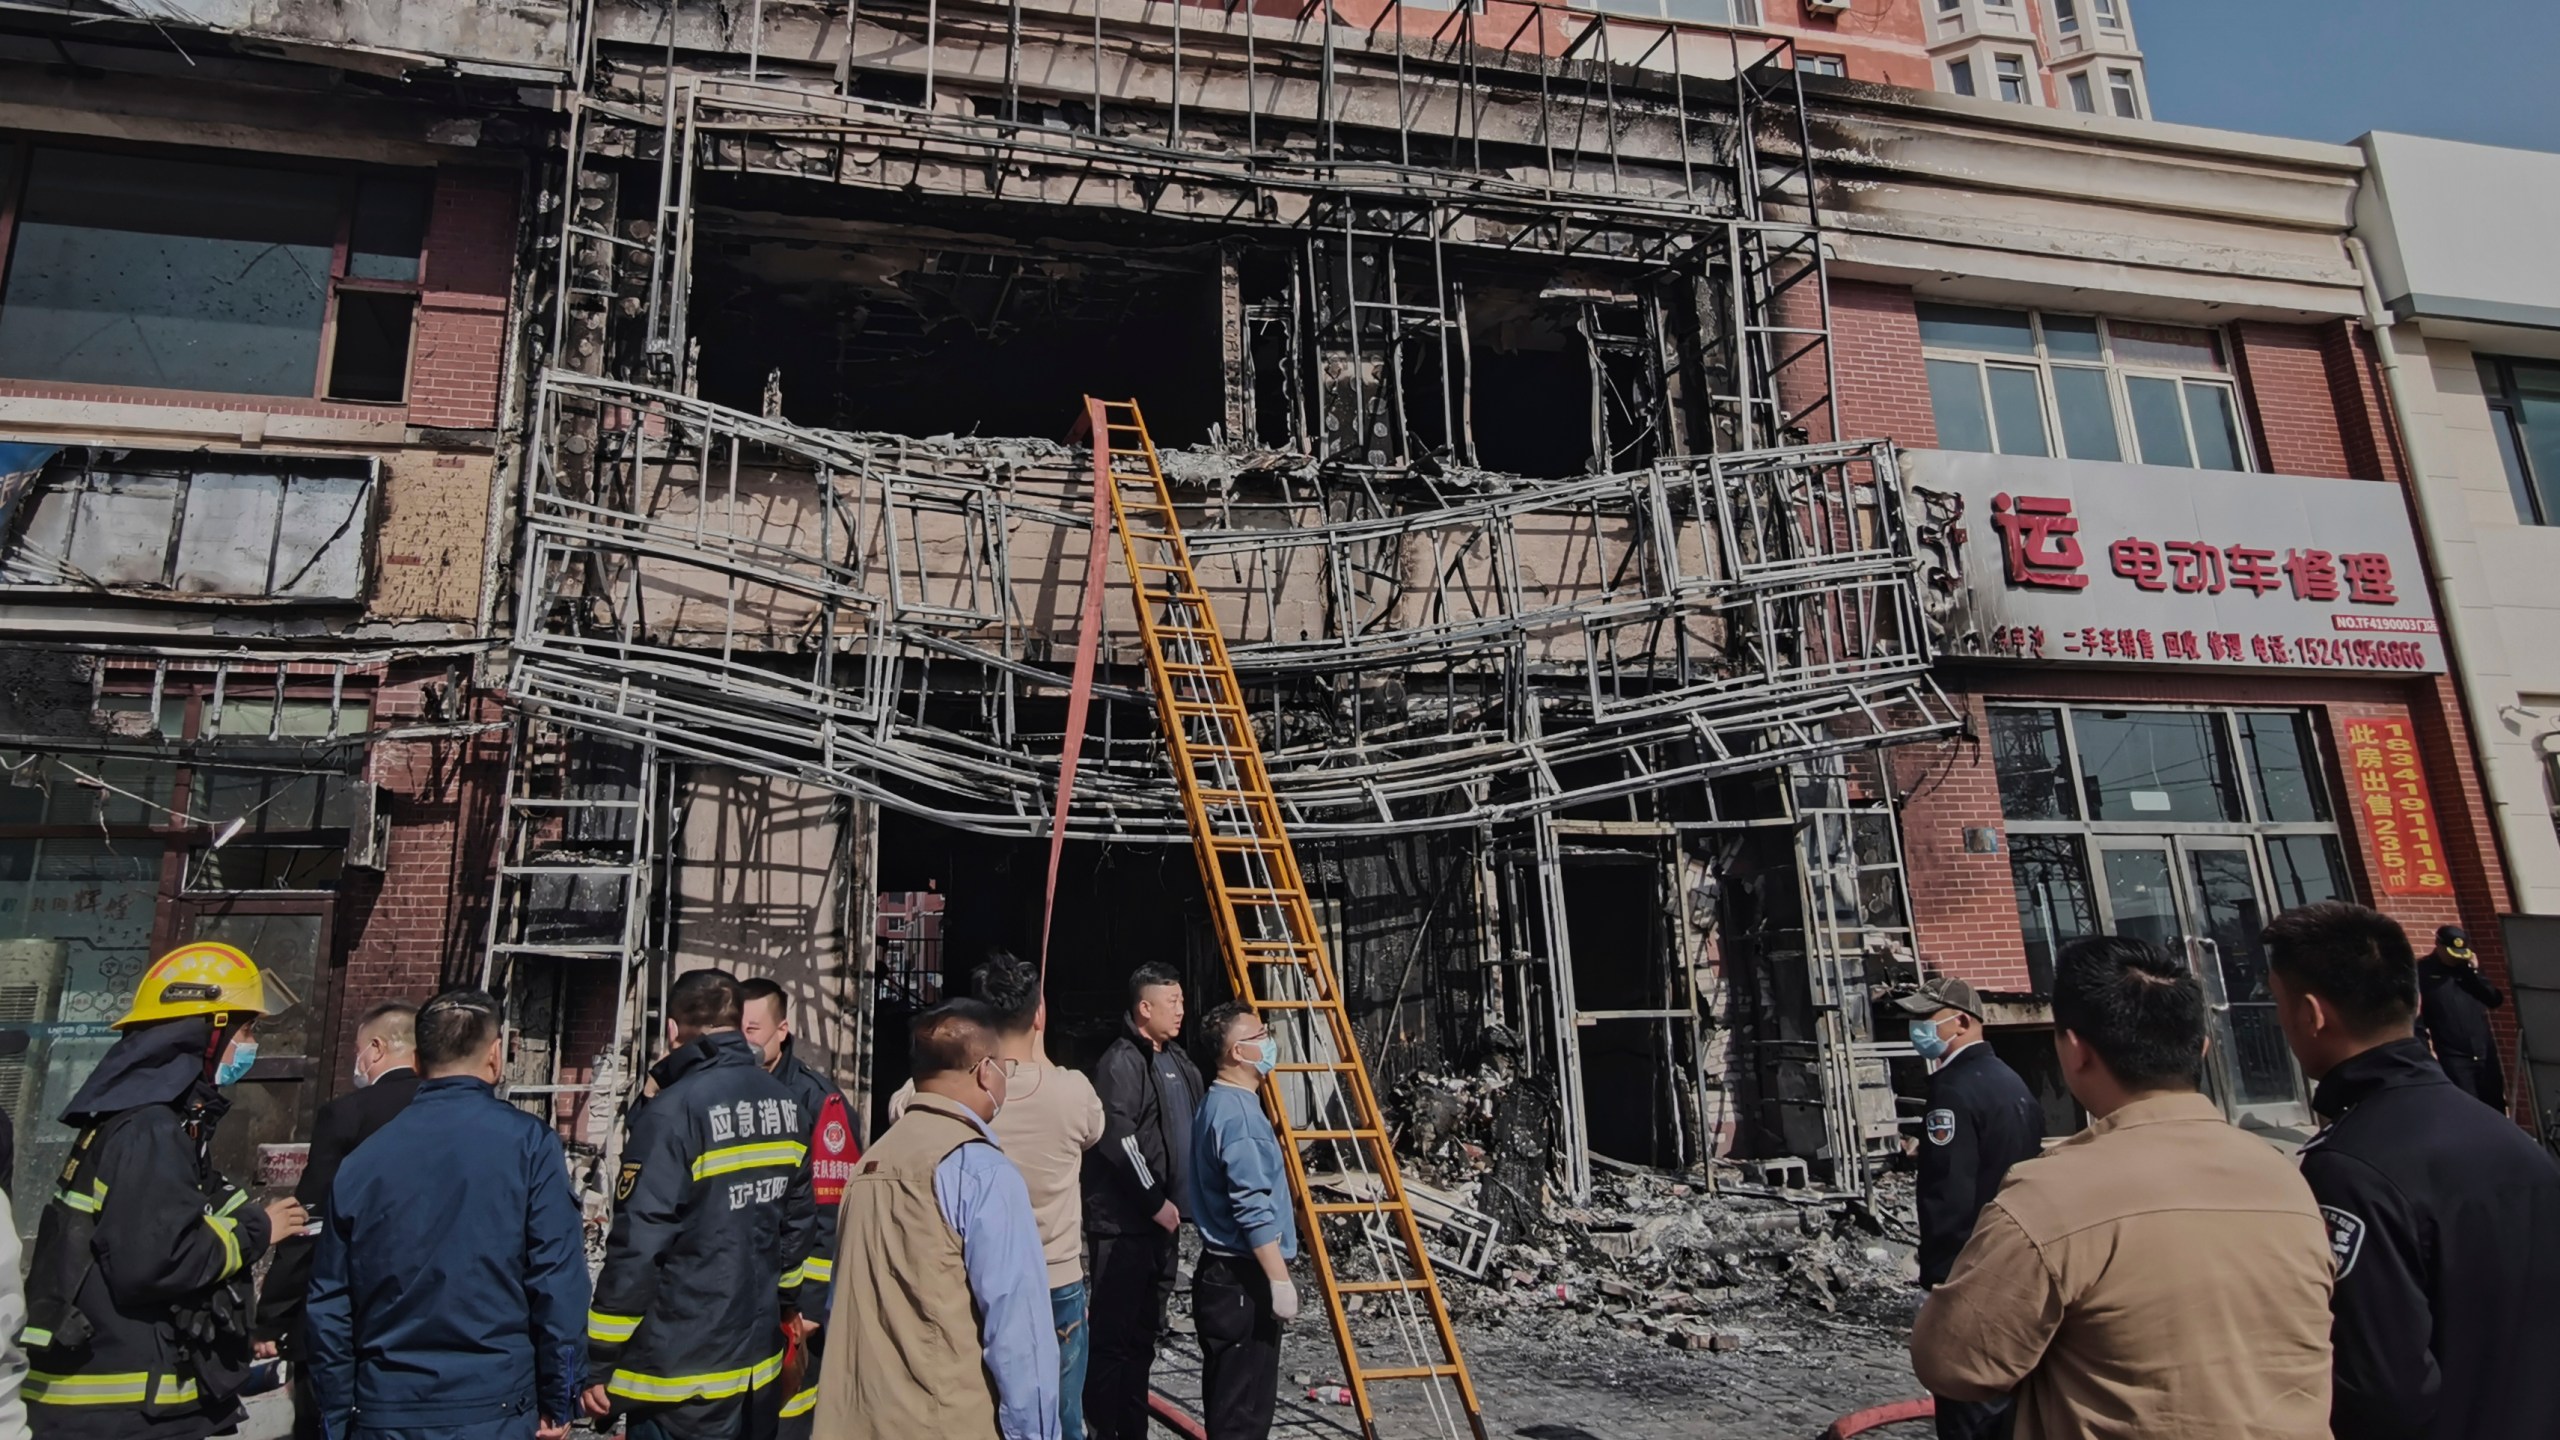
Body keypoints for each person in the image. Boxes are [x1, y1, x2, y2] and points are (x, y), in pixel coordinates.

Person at [1910, 936, 2334, 1440]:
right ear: (2202, 1048)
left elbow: (1953, 1362)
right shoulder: (2286, 1179)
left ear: (2074, 1051)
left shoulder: (2048, 1197)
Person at [2263, 902, 2560, 1440]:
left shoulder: (2351, 1167)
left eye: (2278, 1003)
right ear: (2417, 1001)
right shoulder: (2515, 1143)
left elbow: (2381, 1389)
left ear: (2310, 1014)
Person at [21, 941, 307, 1440]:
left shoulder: (151, 1123)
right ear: (208, 1032)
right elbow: (160, 1260)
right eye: (246, 1030)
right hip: (122, 1411)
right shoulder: (149, 1129)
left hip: (125, 1405)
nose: (251, 1045)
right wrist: (258, 1230)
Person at [303, 988, 589, 1440]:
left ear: (417, 1061)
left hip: (388, 1404)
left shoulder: (362, 1161)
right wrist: (561, 1395)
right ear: (495, 1055)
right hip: (494, 1403)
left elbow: (330, 1303)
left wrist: (338, 1415)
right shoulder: (529, 1145)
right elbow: (557, 1282)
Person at [583, 969, 815, 1440]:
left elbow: (639, 1246)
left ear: (672, 1030)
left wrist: (601, 1356)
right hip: (756, 1370)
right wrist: (786, 1304)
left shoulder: (672, 1112)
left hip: (680, 1380)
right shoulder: (787, 1103)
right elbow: (796, 1230)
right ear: (737, 1022)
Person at [814, 999, 1057, 1440]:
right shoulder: (981, 1170)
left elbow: (839, 1307)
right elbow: (1019, 1337)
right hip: (945, 1421)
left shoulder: (870, 1163)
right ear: (985, 1071)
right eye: (1005, 1068)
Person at [890, 954, 1105, 1440]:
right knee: (1059, 1416)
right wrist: (1040, 1057)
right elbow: (1094, 1131)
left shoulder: (949, 1094)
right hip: (1054, 1279)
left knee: (974, 1409)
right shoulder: (1073, 1092)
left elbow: (902, 1106)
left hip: (966, 1279)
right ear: (1039, 1014)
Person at [256, 1000, 422, 1440]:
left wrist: (274, 1314)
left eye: (357, 1051)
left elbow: (309, 1221)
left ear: (376, 1048)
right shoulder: (455, 1112)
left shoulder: (348, 1115)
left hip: (348, 1316)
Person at [1891, 976, 2042, 1440]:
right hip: (2014, 1260)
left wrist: (1940, 1278)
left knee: (1968, 1406)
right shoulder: (2010, 1082)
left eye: (1926, 1018)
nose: (1917, 1029)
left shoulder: (1954, 1091)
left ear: (1960, 1022)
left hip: (1969, 1269)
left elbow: (1948, 1193)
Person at [1082, 963, 1202, 1440]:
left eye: (1182, 1001)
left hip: (1163, 1226)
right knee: (1112, 1340)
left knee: (1143, 1339)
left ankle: (1133, 1429)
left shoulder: (1179, 1061)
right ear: (1144, 1008)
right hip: (1124, 1225)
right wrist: (1154, 1201)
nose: (1181, 1010)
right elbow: (1119, 1137)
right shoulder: (1122, 1062)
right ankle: (1103, 1429)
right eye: (1172, 1002)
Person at [738, 978, 857, 1433]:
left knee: (788, 1414)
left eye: (753, 1029)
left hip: (792, 1309)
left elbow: (830, 1215)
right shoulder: (725, 1093)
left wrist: (807, 1307)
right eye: (736, 1029)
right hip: (737, 1299)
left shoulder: (816, 1101)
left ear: (782, 1030)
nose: (744, 1040)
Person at [1188, 1004, 1300, 1440]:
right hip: (1242, 1277)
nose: (1269, 1040)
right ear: (1238, 1051)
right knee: (1244, 1414)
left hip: (1221, 1273)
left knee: (1228, 1398)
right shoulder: (1240, 1117)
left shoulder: (1217, 1102)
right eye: (1260, 1035)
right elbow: (1251, 1207)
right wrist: (1279, 1279)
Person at [2412, 925, 2507, 1112]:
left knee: (2494, 1108)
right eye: (2452, 954)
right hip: (2454, 1057)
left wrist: (2475, 973)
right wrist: (2426, 1057)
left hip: (2484, 1052)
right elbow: (2418, 1022)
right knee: (2466, 1109)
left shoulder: (2467, 969)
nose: (2456, 958)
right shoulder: (2422, 972)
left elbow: (2494, 1000)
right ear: (2439, 946)